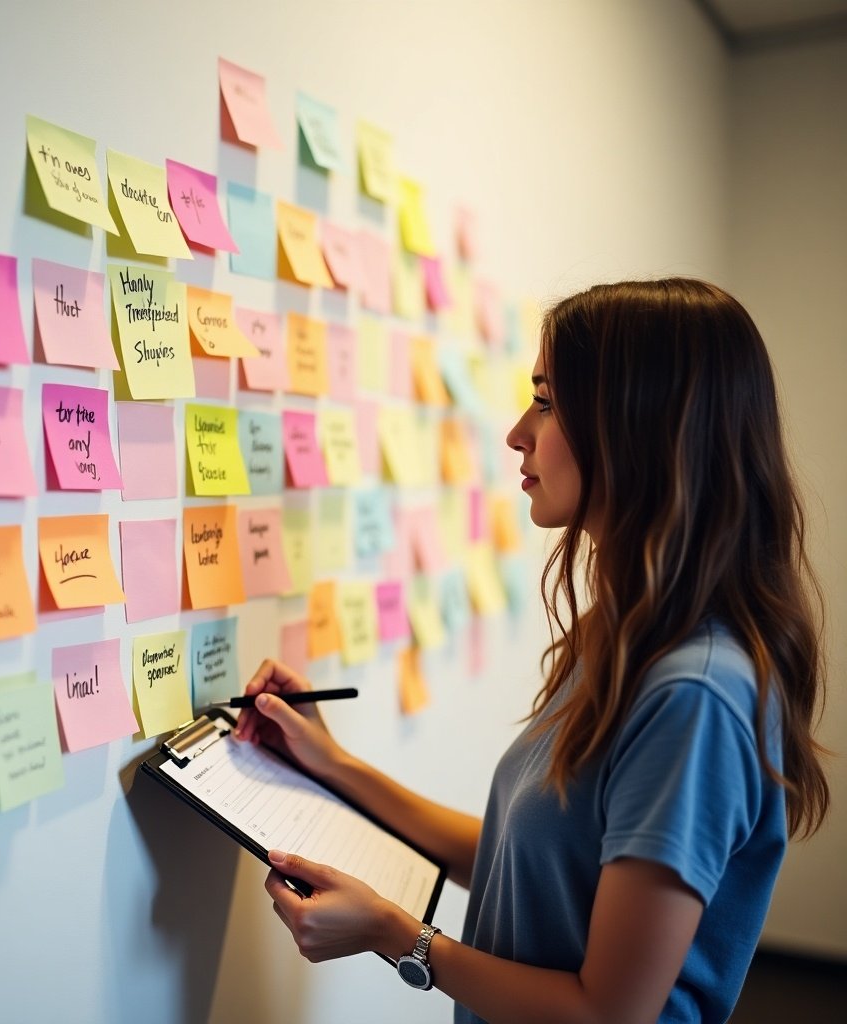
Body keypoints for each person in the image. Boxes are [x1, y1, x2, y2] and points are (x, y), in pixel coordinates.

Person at [233, 278, 830, 1024]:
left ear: (636, 428)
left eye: (546, 402)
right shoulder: (622, 641)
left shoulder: (693, 697)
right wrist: (334, 766)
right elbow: (534, 861)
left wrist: (396, 934)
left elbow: (607, 1013)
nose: (517, 432)